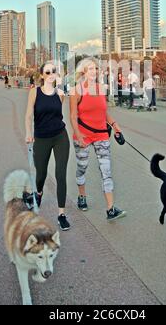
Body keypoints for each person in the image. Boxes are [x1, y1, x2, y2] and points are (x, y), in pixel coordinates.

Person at [70, 58, 126, 222]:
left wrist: (115, 125)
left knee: (106, 171)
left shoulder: (101, 89)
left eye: (95, 68)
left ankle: (110, 209)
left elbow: (104, 112)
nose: (94, 71)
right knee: (82, 167)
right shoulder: (76, 91)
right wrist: (78, 135)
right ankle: (82, 196)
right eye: (90, 69)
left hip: (102, 135)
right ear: (83, 72)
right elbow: (73, 116)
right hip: (83, 136)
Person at [25, 62, 71, 231]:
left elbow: (58, 115)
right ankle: (38, 193)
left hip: (60, 136)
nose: (51, 74)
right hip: (41, 138)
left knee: (60, 174)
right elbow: (29, 115)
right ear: (42, 75)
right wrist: (28, 133)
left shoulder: (60, 94)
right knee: (41, 174)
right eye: (48, 71)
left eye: (54, 71)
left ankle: (61, 214)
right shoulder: (34, 93)